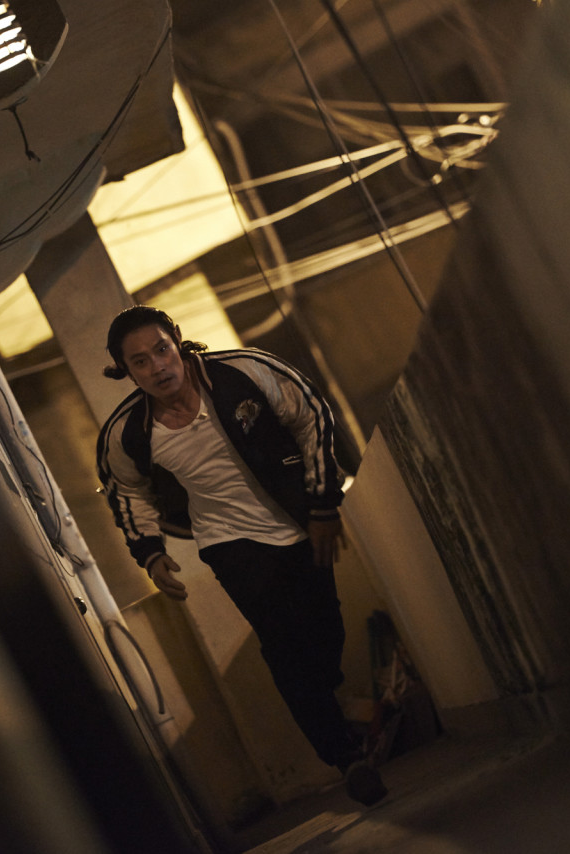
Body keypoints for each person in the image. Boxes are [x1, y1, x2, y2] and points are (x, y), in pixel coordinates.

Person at [95, 306, 387, 806]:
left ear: (178, 341)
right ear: (126, 370)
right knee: (281, 642)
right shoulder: (128, 433)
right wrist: (151, 553)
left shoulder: (245, 372)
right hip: (227, 543)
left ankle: (327, 698)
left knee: (325, 629)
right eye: (140, 361)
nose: (157, 366)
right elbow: (126, 492)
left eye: (162, 350)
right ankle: (346, 757)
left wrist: (322, 503)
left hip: (297, 522)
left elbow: (311, 417)